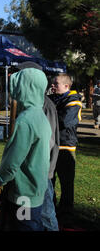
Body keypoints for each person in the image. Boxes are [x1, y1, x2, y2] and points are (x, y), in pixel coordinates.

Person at [0, 68, 51, 231]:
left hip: (23, 194)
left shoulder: (25, 121)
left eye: (16, 87)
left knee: (24, 227)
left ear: (25, 88)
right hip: (36, 188)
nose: (12, 92)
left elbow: (11, 165)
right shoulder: (40, 115)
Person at [17, 61, 59, 231]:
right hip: (26, 171)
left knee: (46, 213)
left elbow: (46, 142)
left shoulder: (44, 105)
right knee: (25, 213)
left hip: (39, 171)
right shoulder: (30, 102)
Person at [49, 73, 82, 221]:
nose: (53, 86)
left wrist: (49, 115)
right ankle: (51, 207)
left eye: (56, 84)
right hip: (51, 146)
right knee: (49, 179)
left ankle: (66, 214)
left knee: (66, 183)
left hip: (65, 147)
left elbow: (65, 121)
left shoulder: (74, 101)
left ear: (66, 86)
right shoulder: (53, 99)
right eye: (53, 83)